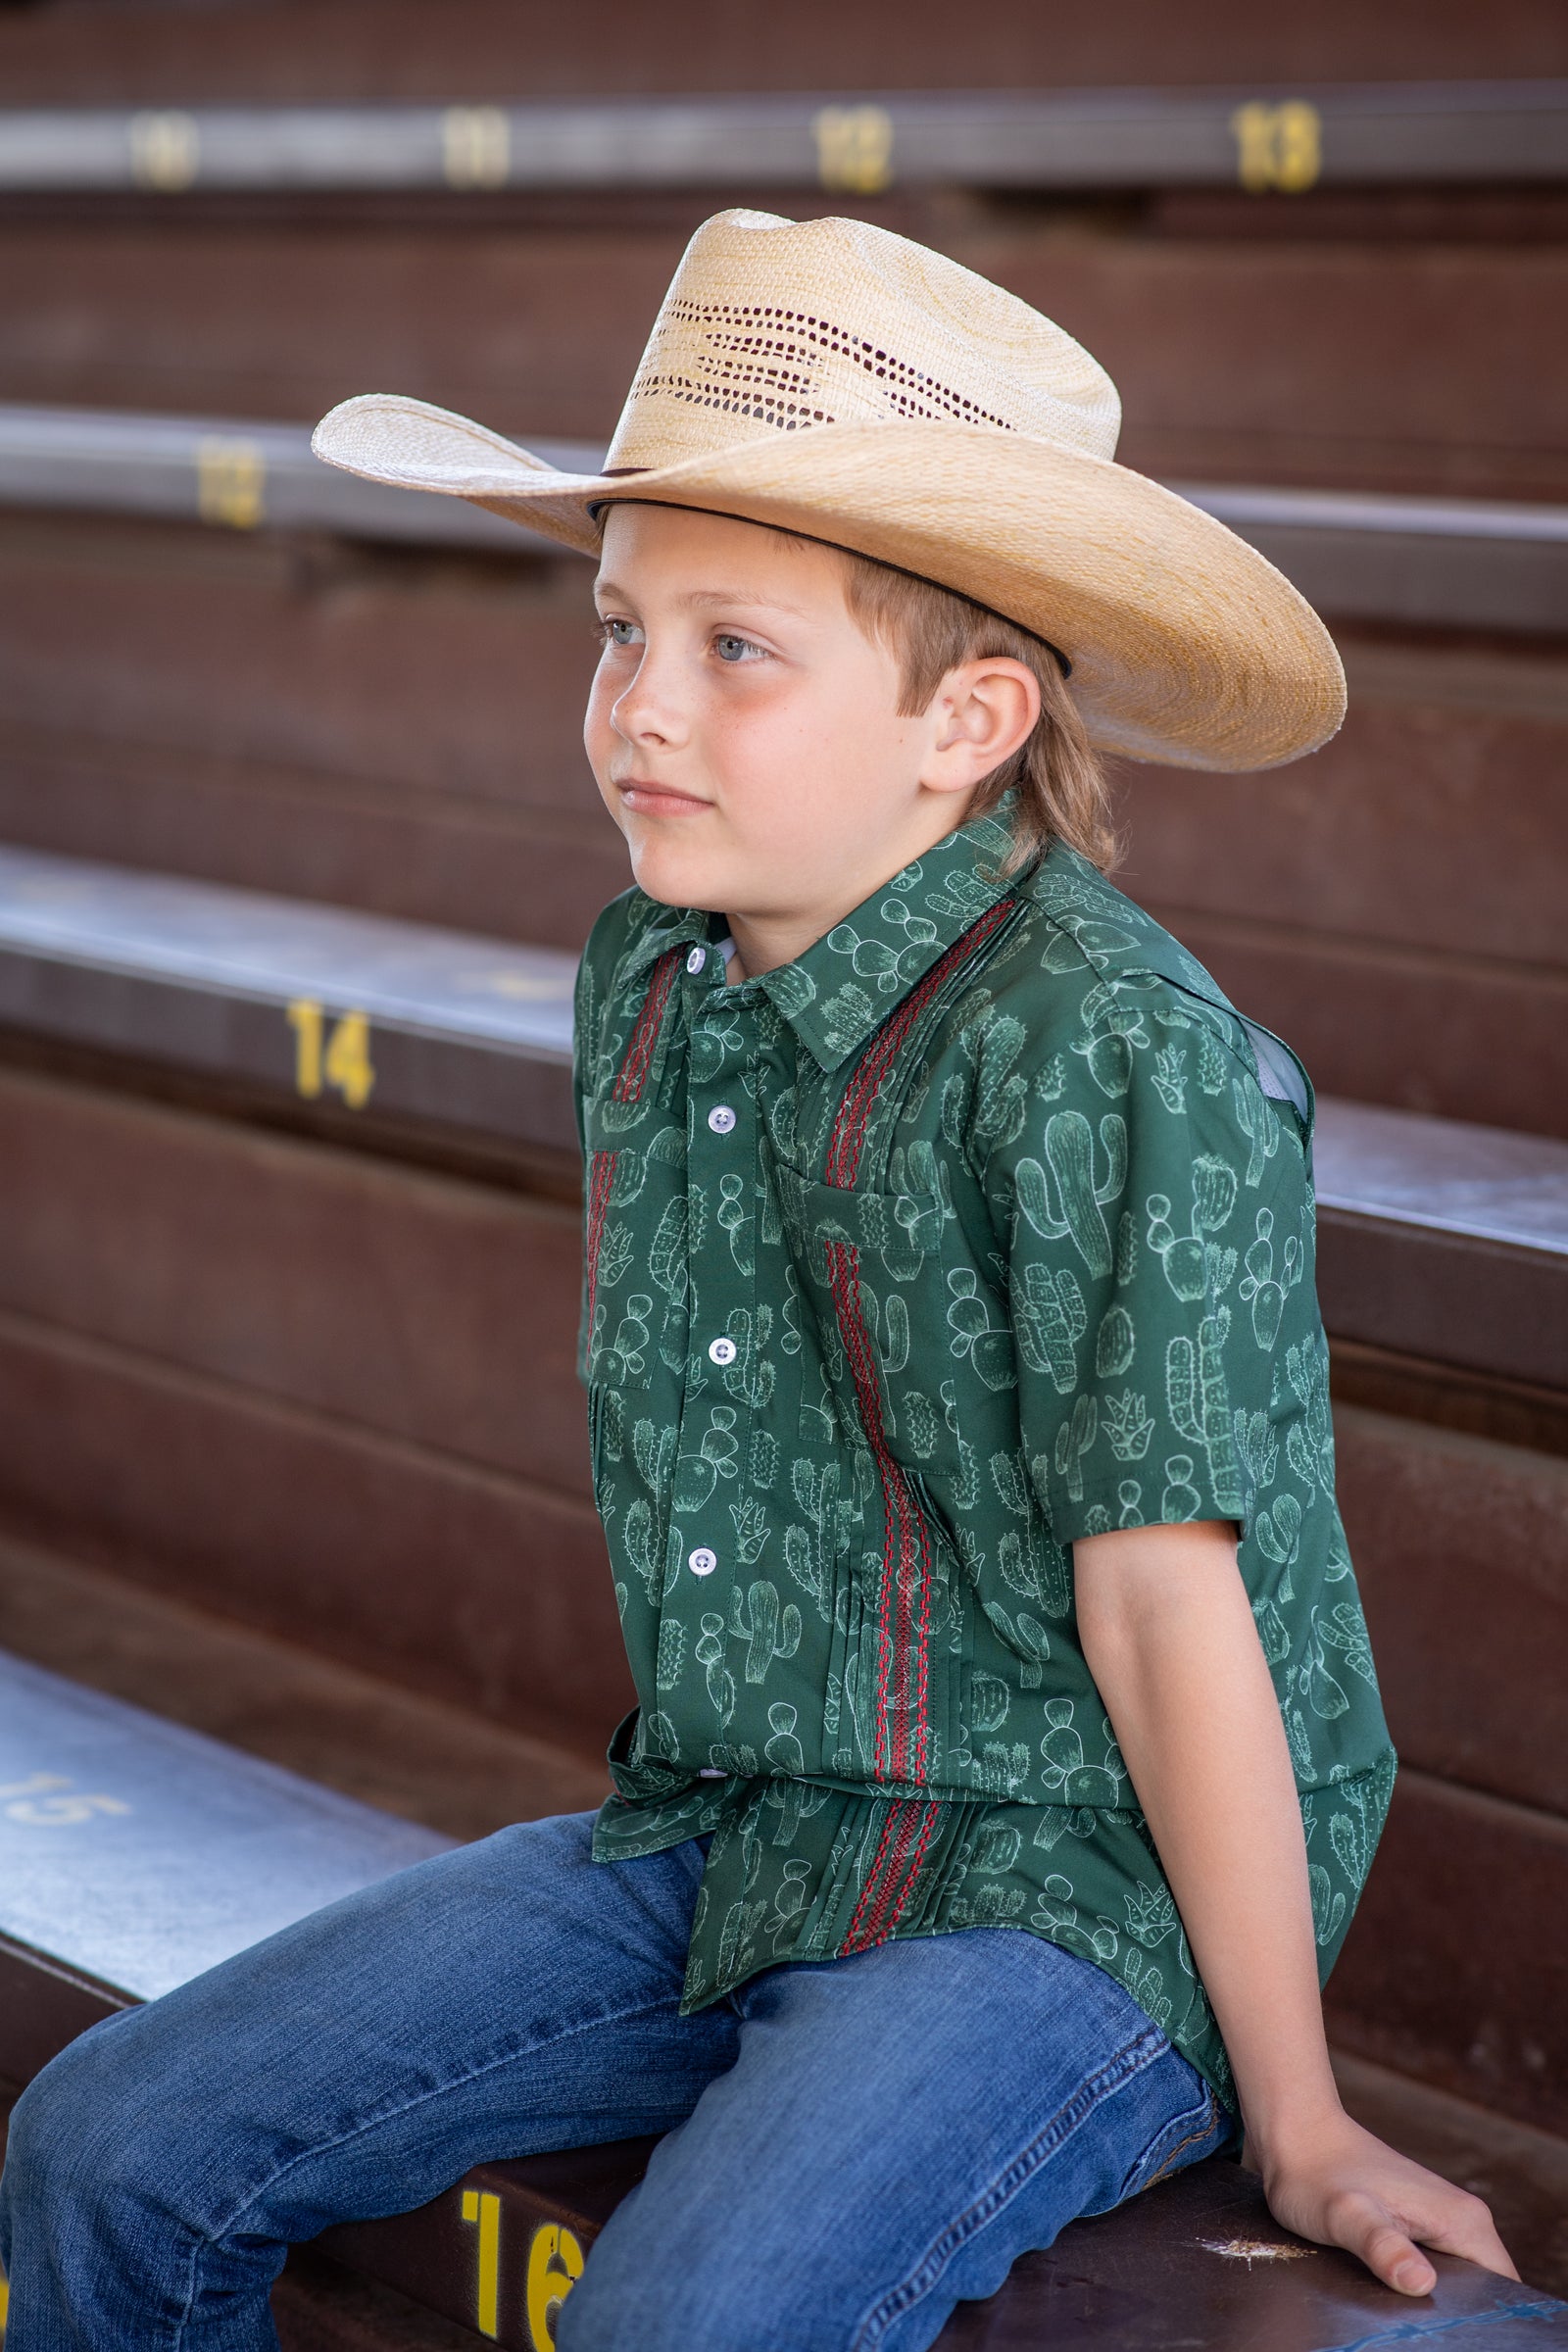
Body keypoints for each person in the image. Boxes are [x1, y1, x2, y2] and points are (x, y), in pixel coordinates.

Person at [0, 209, 1515, 2351]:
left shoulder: (1103, 1051)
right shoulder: (658, 977)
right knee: (108, 2149)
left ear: (966, 717)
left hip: (1066, 1897)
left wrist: (1296, 2110)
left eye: (736, 650)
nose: (637, 706)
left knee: (672, 2332)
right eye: (619, 629)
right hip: (737, 1828)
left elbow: (1168, 1603)